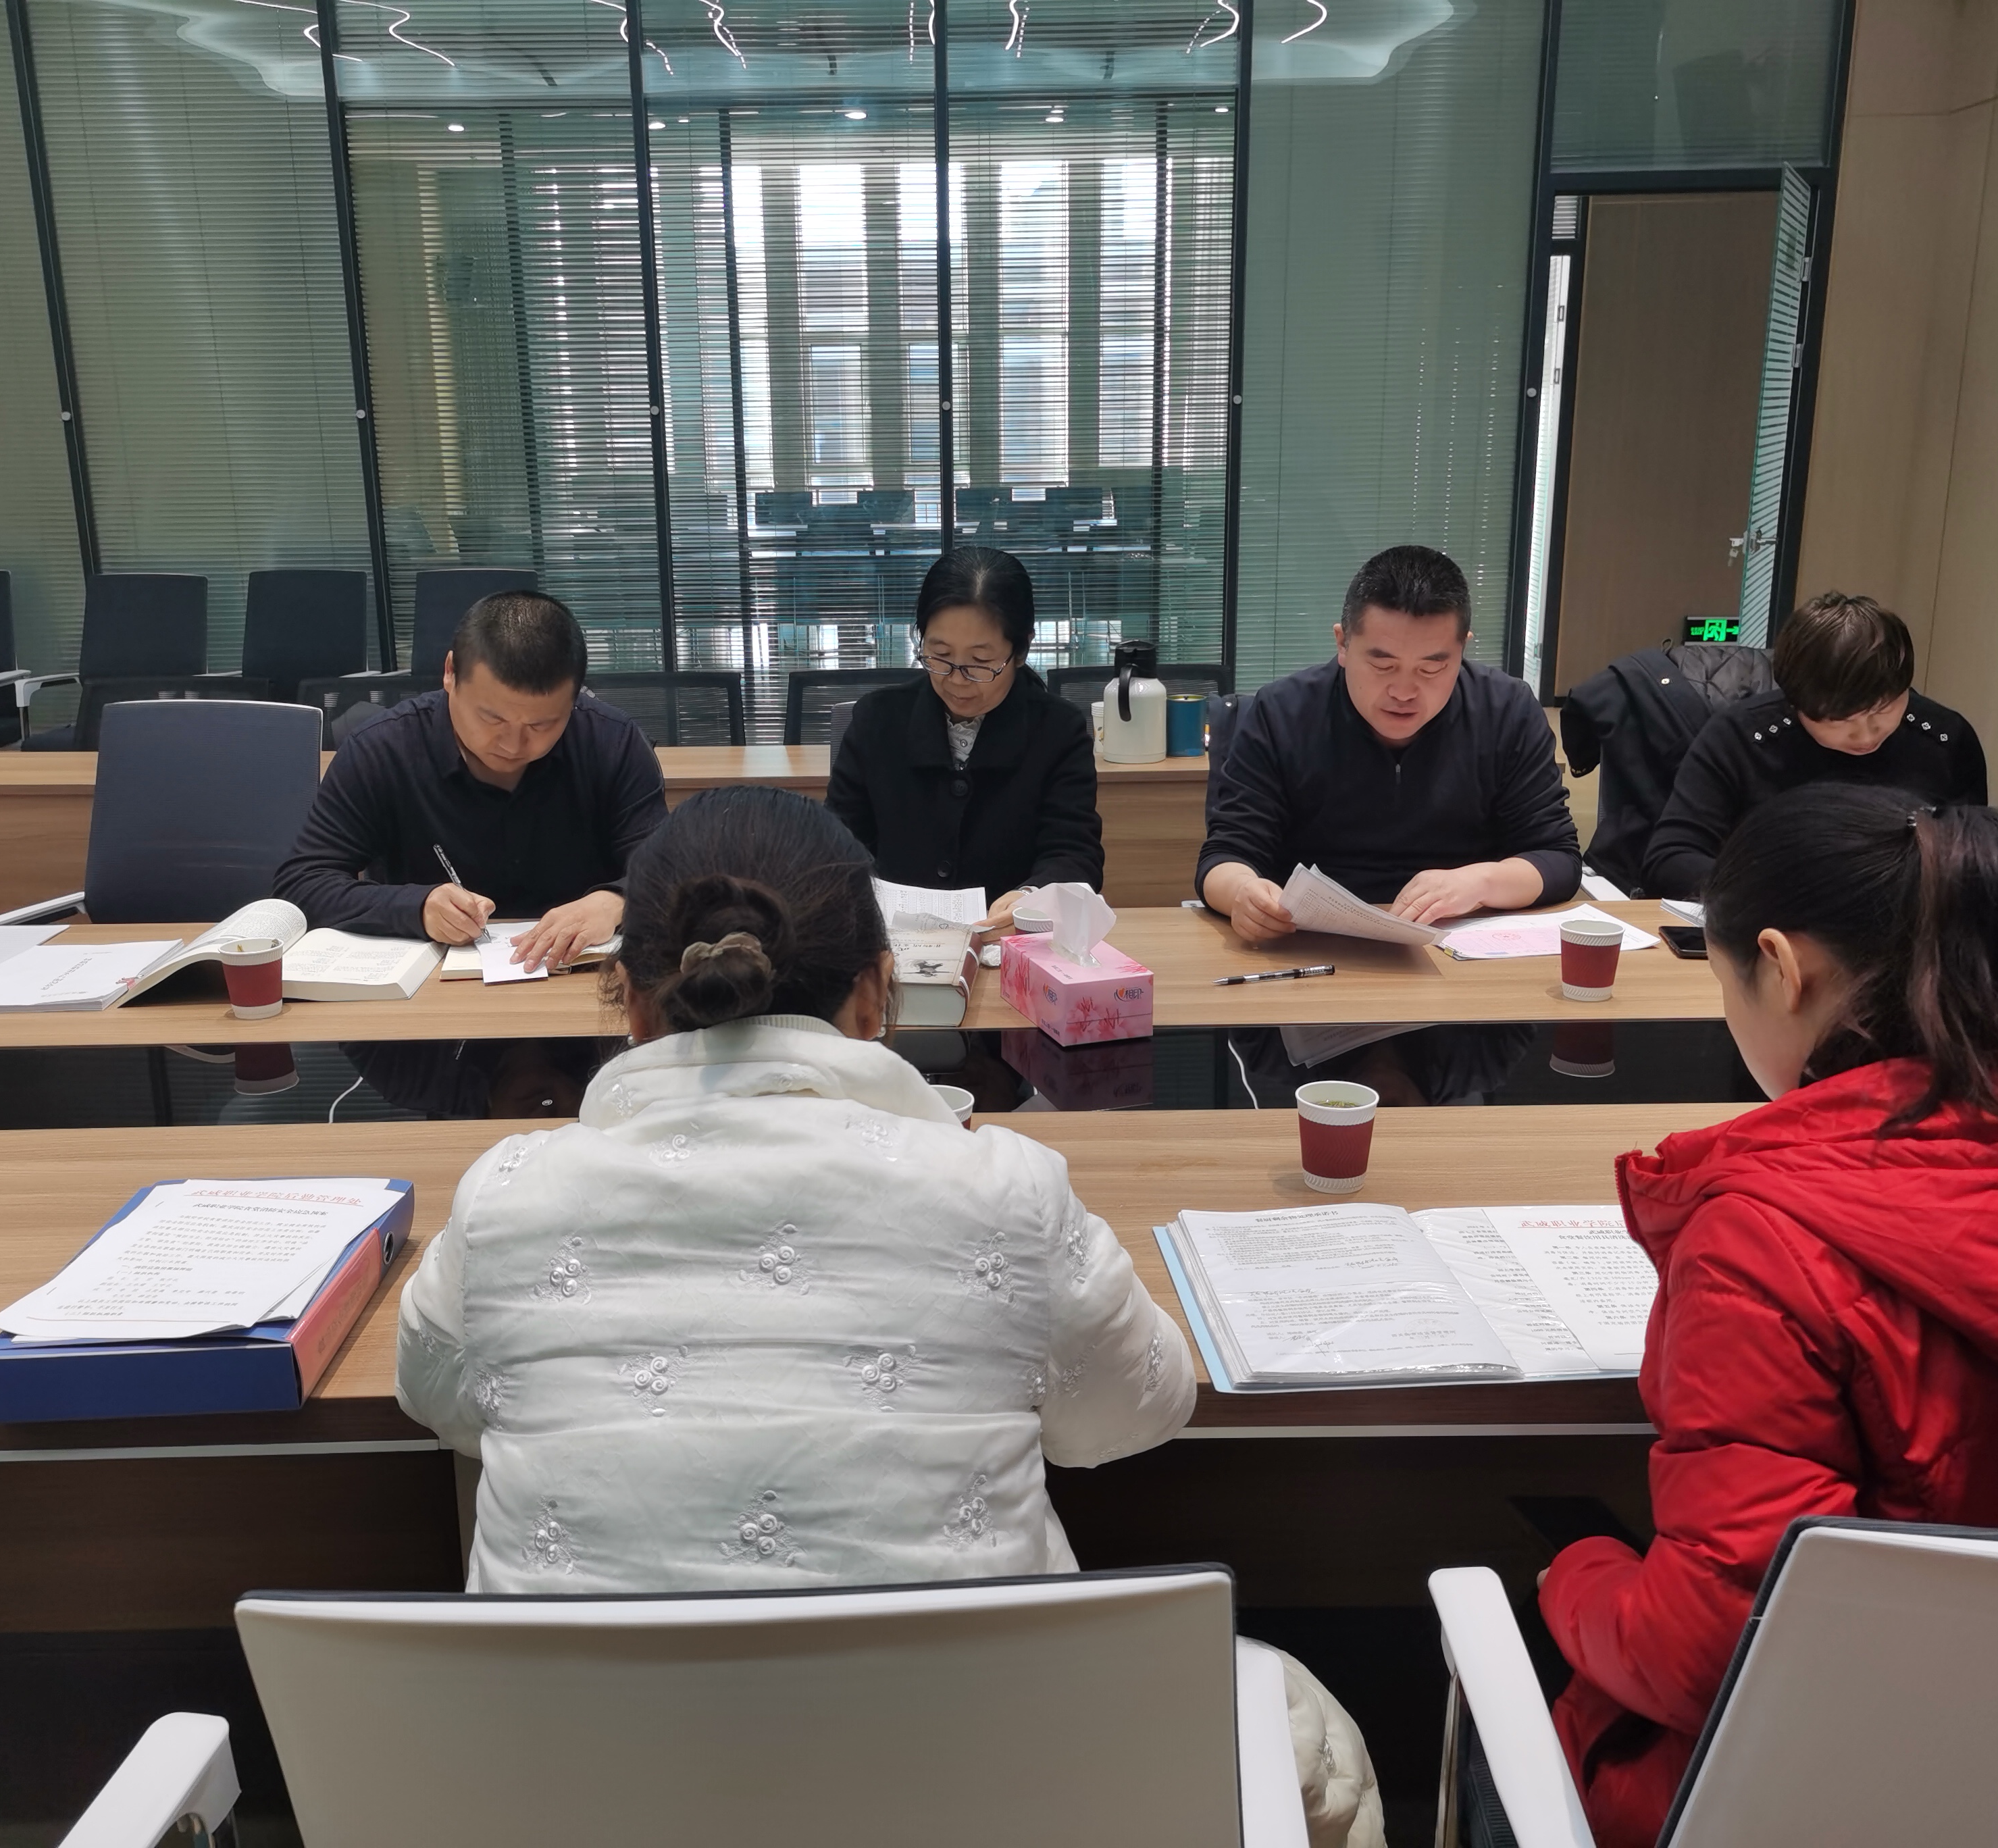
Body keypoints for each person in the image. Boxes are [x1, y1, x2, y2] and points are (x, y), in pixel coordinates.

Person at [394, 785, 1385, 1848]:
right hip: (984, 1796)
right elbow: (1137, 1412)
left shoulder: (506, 1197)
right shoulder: (1003, 1190)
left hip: (578, 1796)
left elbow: (441, 1401)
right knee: (1299, 1718)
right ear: (877, 996)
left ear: (631, 1008)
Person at [1541, 785, 1998, 1848]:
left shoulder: (1767, 1236)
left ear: (1782, 968)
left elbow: (1708, 1658)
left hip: (1853, 1791)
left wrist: (1577, 1576)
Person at [274, 590, 666, 971]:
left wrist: (618, 901)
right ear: (450, 672)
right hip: (425, 992)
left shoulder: (612, 743)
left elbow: (675, 871)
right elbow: (301, 885)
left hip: (579, 979)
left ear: (575, 698)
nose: (513, 745)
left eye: (541, 725)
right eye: (492, 718)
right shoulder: (383, 750)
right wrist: (416, 908)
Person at [1198, 545, 1579, 936]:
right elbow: (1225, 856)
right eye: (1383, 665)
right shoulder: (1281, 713)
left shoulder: (1507, 711)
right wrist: (1243, 893)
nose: (1403, 692)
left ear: (1462, 648)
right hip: (1312, 942)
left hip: (1457, 942)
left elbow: (1557, 857)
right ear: (1343, 644)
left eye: (1431, 668)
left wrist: (1480, 882)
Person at [1641, 592, 1985, 899]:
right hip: (1775, 922)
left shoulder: (1944, 739)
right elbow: (1670, 860)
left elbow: (1974, 860)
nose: (1866, 736)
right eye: (1838, 721)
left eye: (1883, 712)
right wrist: (1774, 894)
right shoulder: (1741, 738)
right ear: (1796, 703)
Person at [825, 547, 1102, 924]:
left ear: (1021, 650)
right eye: (940, 656)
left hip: (1007, 940)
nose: (957, 680)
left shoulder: (1058, 730)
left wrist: (1031, 899)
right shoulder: (877, 720)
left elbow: (1074, 854)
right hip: (894, 940)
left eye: (981, 663)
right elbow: (836, 845)